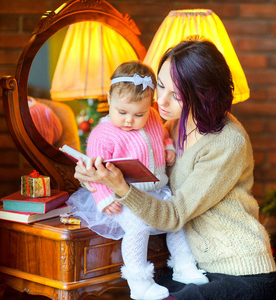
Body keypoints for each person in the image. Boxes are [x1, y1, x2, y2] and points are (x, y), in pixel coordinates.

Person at [75, 37, 276, 300]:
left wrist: (121, 188)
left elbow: (173, 215)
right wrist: (92, 175)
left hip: (240, 273)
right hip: (193, 267)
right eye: (160, 86)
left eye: (176, 95)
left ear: (204, 96)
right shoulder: (171, 128)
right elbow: (139, 175)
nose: (160, 101)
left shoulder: (227, 142)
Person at [67, 61, 208, 300]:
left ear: (149, 106)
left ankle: (185, 267)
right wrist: (103, 199)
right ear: (109, 99)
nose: (129, 120)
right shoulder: (103, 135)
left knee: (176, 221)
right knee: (137, 226)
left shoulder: (152, 117)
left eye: (138, 114)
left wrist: (169, 147)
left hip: (156, 190)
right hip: (121, 198)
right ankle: (139, 283)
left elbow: (162, 134)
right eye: (122, 112)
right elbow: (94, 173)